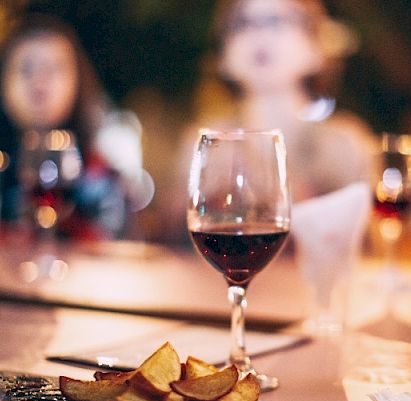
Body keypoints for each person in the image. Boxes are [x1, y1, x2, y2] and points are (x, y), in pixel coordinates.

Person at [165, 0, 377, 245]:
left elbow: (371, 243)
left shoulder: (344, 142)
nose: (259, 34)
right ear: (223, 56)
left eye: (277, 21)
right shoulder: (204, 141)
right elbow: (172, 239)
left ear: (316, 49)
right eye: (243, 23)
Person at [0, 13, 145, 241]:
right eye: (26, 69)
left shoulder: (100, 180)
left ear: (77, 81)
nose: (40, 82)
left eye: (54, 68)